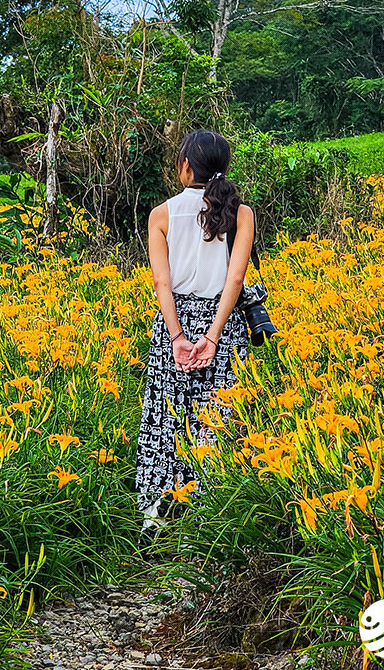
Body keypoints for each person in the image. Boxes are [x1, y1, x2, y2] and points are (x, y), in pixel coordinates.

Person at [134, 129, 254, 535]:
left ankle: (154, 516)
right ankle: (208, 519)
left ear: (186, 166)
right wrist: (214, 335)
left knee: (166, 418)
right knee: (217, 418)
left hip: (175, 321)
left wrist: (177, 337)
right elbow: (235, 280)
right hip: (225, 325)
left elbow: (161, 284)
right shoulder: (242, 213)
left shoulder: (161, 214)